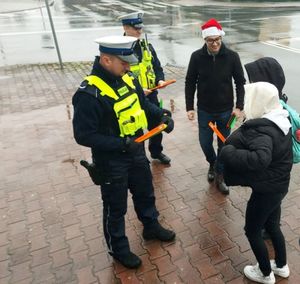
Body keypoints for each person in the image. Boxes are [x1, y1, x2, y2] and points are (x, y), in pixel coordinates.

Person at [72, 35, 176, 269]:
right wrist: (119, 143)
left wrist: (161, 115)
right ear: (106, 60)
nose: (129, 67)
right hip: (111, 162)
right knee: (115, 207)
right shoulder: (89, 94)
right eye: (124, 62)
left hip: (136, 151)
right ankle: (118, 248)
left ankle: (151, 226)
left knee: (145, 192)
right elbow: (83, 135)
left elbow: (143, 105)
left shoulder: (127, 78)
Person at [220, 82, 292, 284]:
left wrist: (229, 152)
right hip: (279, 186)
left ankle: (265, 273)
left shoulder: (263, 131)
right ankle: (281, 265)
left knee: (252, 230)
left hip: (266, 191)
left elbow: (260, 158)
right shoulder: (281, 120)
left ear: (258, 101)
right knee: (273, 225)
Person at [185, 18, 245, 195]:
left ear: (221, 37)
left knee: (224, 145)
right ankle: (212, 162)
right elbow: (190, 82)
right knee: (205, 143)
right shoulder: (196, 57)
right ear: (205, 40)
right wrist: (189, 107)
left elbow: (240, 82)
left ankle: (220, 175)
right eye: (211, 40)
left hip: (226, 111)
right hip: (204, 109)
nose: (215, 43)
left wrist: (239, 106)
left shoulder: (232, 56)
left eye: (217, 39)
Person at [119, 11, 171, 164]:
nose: (139, 31)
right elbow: (118, 78)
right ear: (125, 27)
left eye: (140, 28)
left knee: (157, 126)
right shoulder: (119, 49)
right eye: (136, 28)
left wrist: (160, 81)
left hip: (151, 95)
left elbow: (157, 68)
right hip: (130, 99)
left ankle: (156, 152)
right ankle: (140, 158)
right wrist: (138, 90)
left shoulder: (146, 46)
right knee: (135, 130)